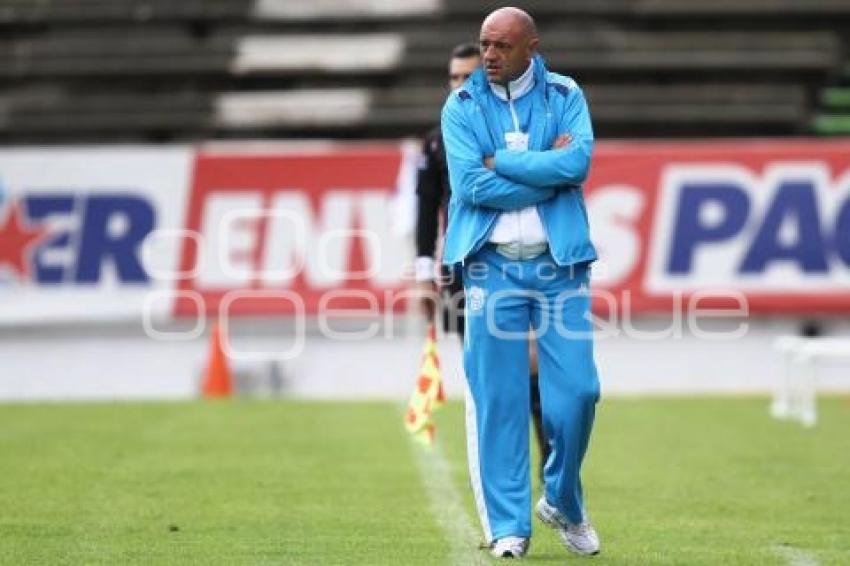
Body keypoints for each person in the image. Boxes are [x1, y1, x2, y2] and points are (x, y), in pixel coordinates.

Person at [441, 7, 601, 559]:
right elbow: (469, 185)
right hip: (491, 264)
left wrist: (505, 161)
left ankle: (561, 498)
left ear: (530, 47)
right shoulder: (460, 105)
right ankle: (511, 528)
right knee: (500, 400)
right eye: (485, 45)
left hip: (560, 265)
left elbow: (576, 164)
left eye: (501, 46)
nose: (488, 56)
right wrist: (543, 171)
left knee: (580, 392)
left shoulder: (565, 95)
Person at [414, 43, 551, 478]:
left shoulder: (517, 131)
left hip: (517, 263)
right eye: (452, 78)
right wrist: (423, 273)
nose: (458, 86)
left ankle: (551, 466)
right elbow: (426, 207)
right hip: (462, 269)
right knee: (484, 379)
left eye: (466, 77)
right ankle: (495, 479)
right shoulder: (439, 140)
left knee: (533, 369)